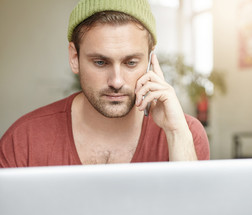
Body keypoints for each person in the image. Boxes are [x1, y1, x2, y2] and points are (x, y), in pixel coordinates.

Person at [0, 0, 210, 168]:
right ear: (75, 58)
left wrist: (175, 133)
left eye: (131, 62)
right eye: (100, 62)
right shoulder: (23, 141)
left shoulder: (185, 133)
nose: (116, 81)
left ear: (150, 59)